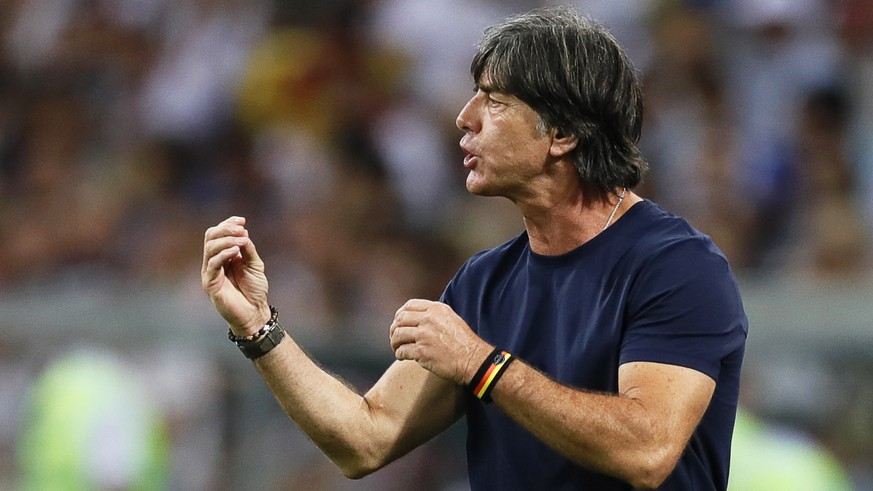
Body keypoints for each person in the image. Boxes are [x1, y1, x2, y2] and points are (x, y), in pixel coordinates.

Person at [201, 6, 748, 490]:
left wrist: (480, 365)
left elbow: (647, 449)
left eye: (495, 100)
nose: (465, 117)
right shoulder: (482, 284)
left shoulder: (676, 266)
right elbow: (364, 438)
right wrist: (260, 327)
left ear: (561, 134)